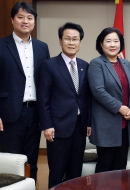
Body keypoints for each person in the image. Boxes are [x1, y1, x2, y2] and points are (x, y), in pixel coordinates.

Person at [0, 1, 50, 181]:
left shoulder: (42, 47)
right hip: (9, 114)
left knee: (32, 161)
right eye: (20, 17)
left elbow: (46, 83)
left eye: (29, 18)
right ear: (12, 20)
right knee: (12, 161)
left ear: (34, 21)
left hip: (35, 112)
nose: (25, 21)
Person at [37, 22, 91, 188]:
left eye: (75, 39)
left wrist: (88, 122)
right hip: (58, 128)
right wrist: (47, 125)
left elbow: (86, 98)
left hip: (79, 127)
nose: (71, 42)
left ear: (80, 42)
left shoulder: (84, 66)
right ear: (60, 41)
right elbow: (43, 98)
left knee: (75, 173)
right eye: (67, 38)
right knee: (57, 172)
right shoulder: (49, 65)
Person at [88, 27, 130, 173]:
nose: (112, 45)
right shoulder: (96, 63)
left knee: (120, 167)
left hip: (125, 124)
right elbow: (98, 91)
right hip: (106, 124)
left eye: (116, 41)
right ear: (101, 44)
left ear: (120, 44)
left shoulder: (126, 64)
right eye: (108, 41)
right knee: (105, 165)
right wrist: (120, 108)